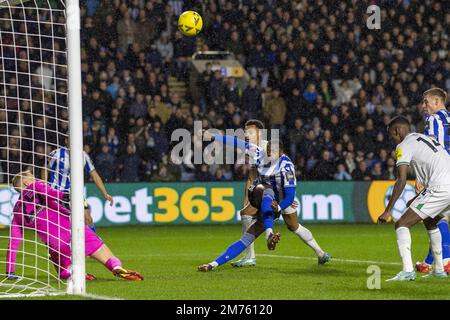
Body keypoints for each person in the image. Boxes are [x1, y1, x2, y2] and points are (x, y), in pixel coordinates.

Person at [198, 135, 330, 272]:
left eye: (272, 151)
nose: (268, 153)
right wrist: (214, 136)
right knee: (260, 197)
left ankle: (320, 253)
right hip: (264, 195)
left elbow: (290, 197)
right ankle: (266, 236)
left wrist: (279, 207)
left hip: (284, 198)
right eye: (267, 150)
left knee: (294, 226)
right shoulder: (258, 153)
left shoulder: (287, 167)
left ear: (281, 152)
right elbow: (237, 143)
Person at [5, 171, 143, 281]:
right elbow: (52, 194)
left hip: (56, 243)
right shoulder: (36, 186)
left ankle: (70, 272)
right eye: (32, 177)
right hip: (72, 228)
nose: (35, 179)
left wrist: (10, 271)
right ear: (26, 181)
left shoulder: (16, 211)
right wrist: (67, 196)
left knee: (62, 270)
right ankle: (116, 267)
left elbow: (13, 243)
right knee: (104, 253)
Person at [378, 116, 450, 281]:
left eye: (392, 136)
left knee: (402, 223)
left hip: (441, 187)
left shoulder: (403, 145)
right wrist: (418, 197)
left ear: (397, 131)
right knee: (430, 220)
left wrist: (387, 210)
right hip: (445, 184)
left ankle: (408, 271)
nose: (393, 140)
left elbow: (401, 179)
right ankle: (439, 270)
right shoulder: (423, 138)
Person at [415, 88, 450, 273]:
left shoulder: (433, 119)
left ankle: (445, 260)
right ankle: (430, 261)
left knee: (434, 217)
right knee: (438, 216)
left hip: (442, 173)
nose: (423, 106)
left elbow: (431, 148)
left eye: (426, 102)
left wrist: (421, 177)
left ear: (437, 102)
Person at [42, 145, 113, 233]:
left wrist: (105, 193)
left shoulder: (83, 155)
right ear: (66, 140)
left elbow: (94, 174)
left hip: (76, 194)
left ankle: (94, 243)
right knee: (58, 226)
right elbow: (45, 168)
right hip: (57, 193)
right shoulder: (56, 154)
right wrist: (44, 187)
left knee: (87, 218)